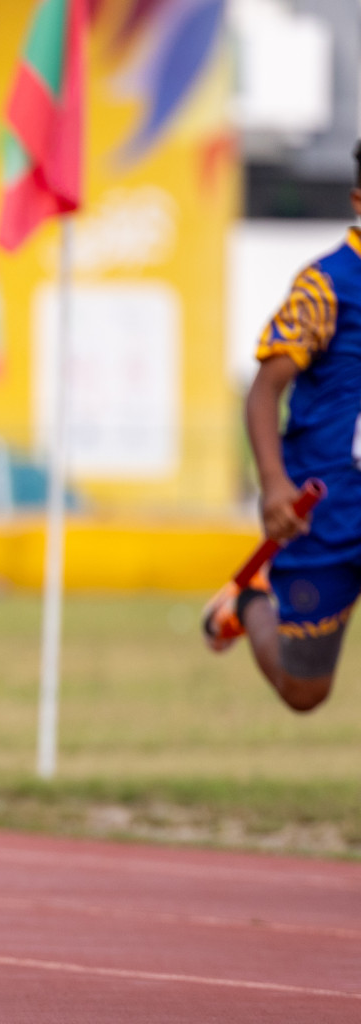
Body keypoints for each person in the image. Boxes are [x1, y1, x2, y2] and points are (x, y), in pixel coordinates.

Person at [203, 141, 361, 712]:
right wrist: (273, 485)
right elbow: (265, 390)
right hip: (327, 509)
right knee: (304, 689)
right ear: (357, 200)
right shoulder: (326, 287)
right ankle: (249, 601)